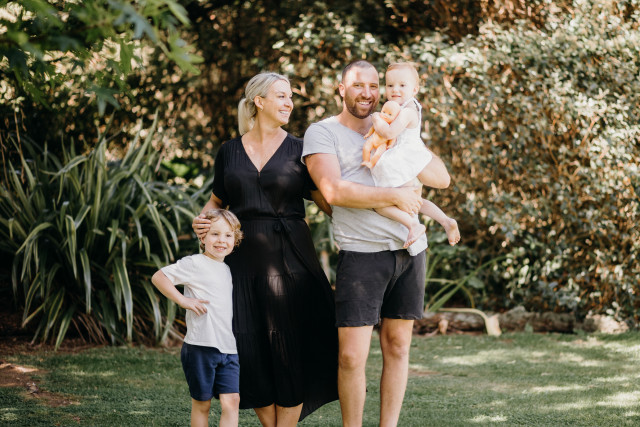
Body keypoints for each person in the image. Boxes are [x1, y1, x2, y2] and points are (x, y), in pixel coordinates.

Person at [302, 59, 451, 427]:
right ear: (341, 89)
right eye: (358, 85)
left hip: (409, 252)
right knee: (351, 357)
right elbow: (333, 191)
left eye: (373, 85)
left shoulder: (395, 124)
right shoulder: (323, 132)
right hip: (361, 254)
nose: (367, 93)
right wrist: (395, 194)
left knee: (398, 347)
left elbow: (441, 178)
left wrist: (404, 144)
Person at [192, 72, 338, 426]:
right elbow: (216, 202)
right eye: (281, 96)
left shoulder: (301, 150)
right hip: (240, 266)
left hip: (292, 262)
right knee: (248, 348)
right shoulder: (229, 151)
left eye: (290, 97)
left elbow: (329, 201)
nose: (289, 103)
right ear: (259, 101)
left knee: (290, 349)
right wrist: (203, 221)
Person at [152, 208, 244, 427]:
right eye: (215, 234)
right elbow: (159, 277)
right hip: (200, 347)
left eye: (228, 235)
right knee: (202, 404)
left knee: (232, 402)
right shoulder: (194, 263)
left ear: (235, 240)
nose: (221, 240)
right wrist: (183, 301)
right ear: (202, 237)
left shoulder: (229, 269)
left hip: (229, 349)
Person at [365, 62, 460, 251]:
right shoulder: (399, 107)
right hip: (407, 161)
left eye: (402, 85)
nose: (395, 90)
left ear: (414, 90)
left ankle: (413, 225)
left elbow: (389, 132)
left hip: (403, 161)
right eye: (390, 85)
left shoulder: (408, 111)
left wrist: (375, 119)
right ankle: (445, 221)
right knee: (415, 201)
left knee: (380, 204)